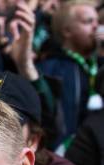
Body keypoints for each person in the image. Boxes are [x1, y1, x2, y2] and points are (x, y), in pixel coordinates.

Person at [38, 0, 100, 142]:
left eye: (97, 21)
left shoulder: (97, 65)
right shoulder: (50, 68)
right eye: (88, 22)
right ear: (67, 31)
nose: (96, 27)